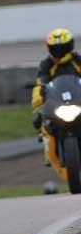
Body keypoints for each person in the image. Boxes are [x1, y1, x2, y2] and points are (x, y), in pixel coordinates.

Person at [31, 28, 81, 165]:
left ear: (70, 46)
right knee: (39, 119)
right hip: (57, 101)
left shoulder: (77, 60)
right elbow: (41, 82)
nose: (59, 52)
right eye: (56, 48)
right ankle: (48, 149)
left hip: (77, 98)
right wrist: (38, 100)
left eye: (63, 48)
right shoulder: (46, 64)